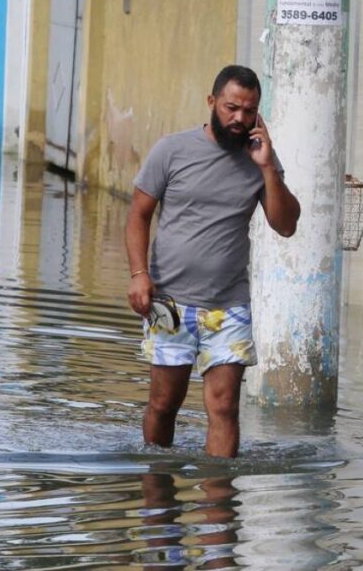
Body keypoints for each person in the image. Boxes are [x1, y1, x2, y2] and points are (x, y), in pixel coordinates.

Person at [125, 64, 300, 458]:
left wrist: (268, 168)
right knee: (164, 405)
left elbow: (285, 225)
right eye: (231, 107)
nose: (239, 118)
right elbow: (138, 213)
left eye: (249, 111)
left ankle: (218, 511)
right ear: (211, 103)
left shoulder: (261, 162)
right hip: (170, 302)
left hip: (229, 307)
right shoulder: (171, 150)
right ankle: (157, 494)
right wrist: (139, 274)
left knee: (223, 408)